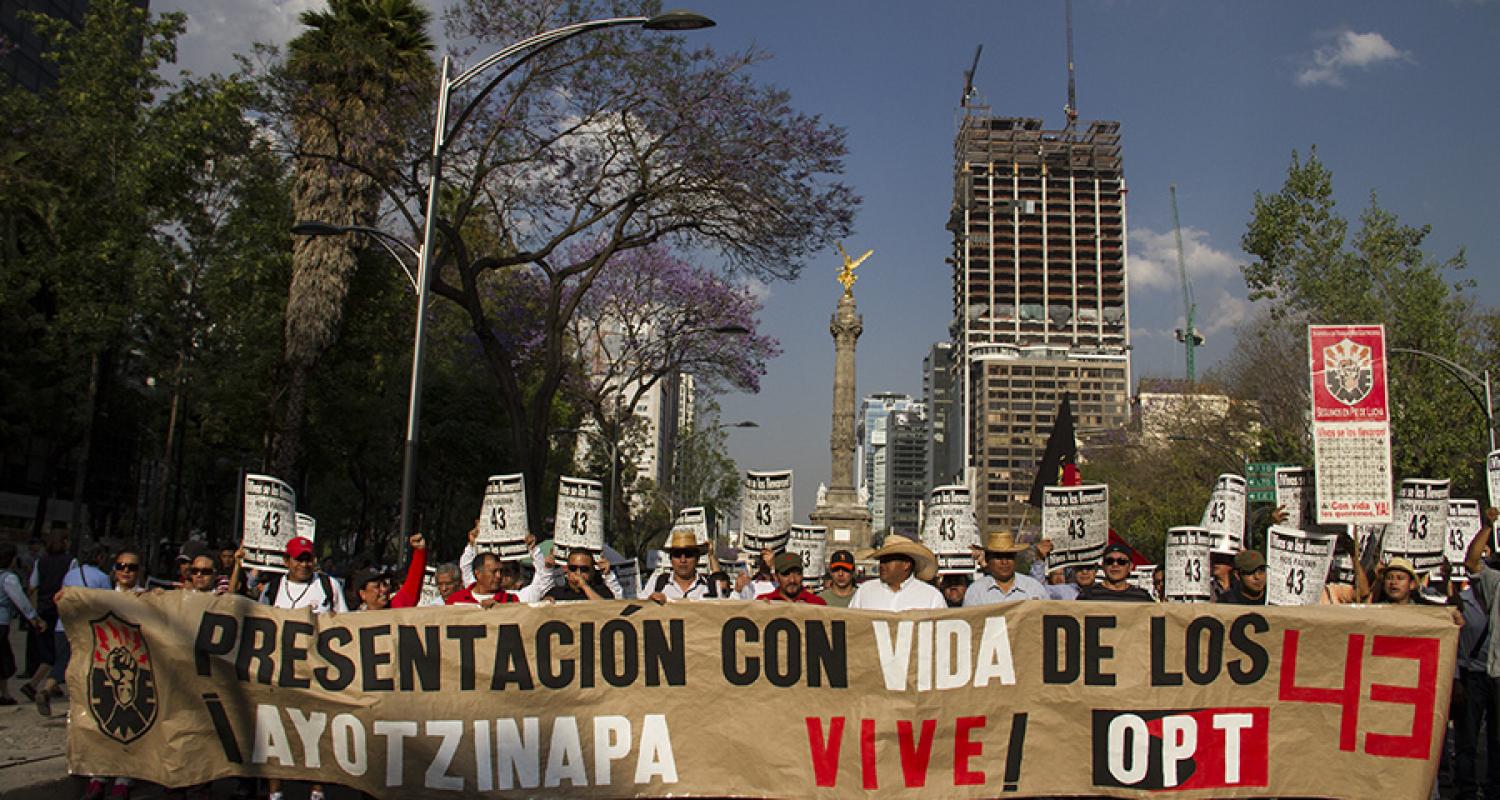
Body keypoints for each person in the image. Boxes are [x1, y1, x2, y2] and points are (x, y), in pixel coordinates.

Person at [31, 542, 112, 716]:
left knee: (64, 660)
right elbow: (107, 604)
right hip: (84, 627)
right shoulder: (102, 577)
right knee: (76, 663)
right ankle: (48, 691)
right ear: (100, 558)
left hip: (63, 624)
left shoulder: (70, 574)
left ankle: (58, 693)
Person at [1455, 573, 1498, 800]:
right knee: (1467, 739)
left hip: (1496, 675)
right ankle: (1466, 789)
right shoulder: (1463, 601)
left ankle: (1494, 788)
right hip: (1470, 675)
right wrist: (1456, 679)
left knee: (1496, 739)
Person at [0, 542, 46, 707]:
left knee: (3, 659)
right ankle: (4, 694)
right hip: (1, 622)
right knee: (4, 659)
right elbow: (21, 601)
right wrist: (34, 617)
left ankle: (5, 694)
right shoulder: (9, 578)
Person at [849, 536, 945, 611]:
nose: (882, 565)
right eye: (881, 560)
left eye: (888, 560)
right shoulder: (864, 591)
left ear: (906, 565)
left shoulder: (931, 597)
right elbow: (851, 624)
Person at [258, 537, 345, 614]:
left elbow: (344, 621)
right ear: (286, 561)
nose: (304, 564)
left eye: (308, 560)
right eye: (299, 559)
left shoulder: (330, 585)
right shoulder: (272, 588)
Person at [964, 531, 1049, 606]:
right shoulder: (976, 591)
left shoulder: (1034, 588)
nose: (1004, 562)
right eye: (998, 557)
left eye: (1009, 556)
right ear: (988, 559)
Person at [348, 535, 427, 611]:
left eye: (384, 584)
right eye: (377, 586)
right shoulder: (353, 618)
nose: (384, 589)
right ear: (363, 594)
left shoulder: (395, 607)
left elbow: (411, 590)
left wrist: (419, 551)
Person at [647, 530, 720, 602]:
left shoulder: (712, 586)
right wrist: (650, 601)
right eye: (677, 554)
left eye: (688, 555)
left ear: (697, 558)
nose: (683, 560)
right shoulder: (655, 583)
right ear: (671, 559)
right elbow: (641, 606)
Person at [1077, 543, 1155, 602]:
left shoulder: (1142, 597)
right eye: (1109, 561)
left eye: (1121, 561)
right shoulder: (1087, 595)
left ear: (1130, 566)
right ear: (1103, 565)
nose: (1115, 565)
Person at [447, 550, 524, 606]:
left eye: (501, 571)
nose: (499, 576)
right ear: (478, 573)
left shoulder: (510, 600)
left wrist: (499, 609)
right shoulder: (456, 600)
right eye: (494, 571)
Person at [547, 549, 615, 602]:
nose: (578, 573)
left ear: (592, 571)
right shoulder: (556, 593)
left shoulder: (602, 591)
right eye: (573, 568)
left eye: (584, 569)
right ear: (567, 569)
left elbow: (606, 609)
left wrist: (584, 586)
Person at [757, 552, 826, 604]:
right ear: (776, 577)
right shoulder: (763, 602)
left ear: (802, 575)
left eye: (797, 573)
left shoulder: (817, 603)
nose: (792, 580)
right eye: (786, 574)